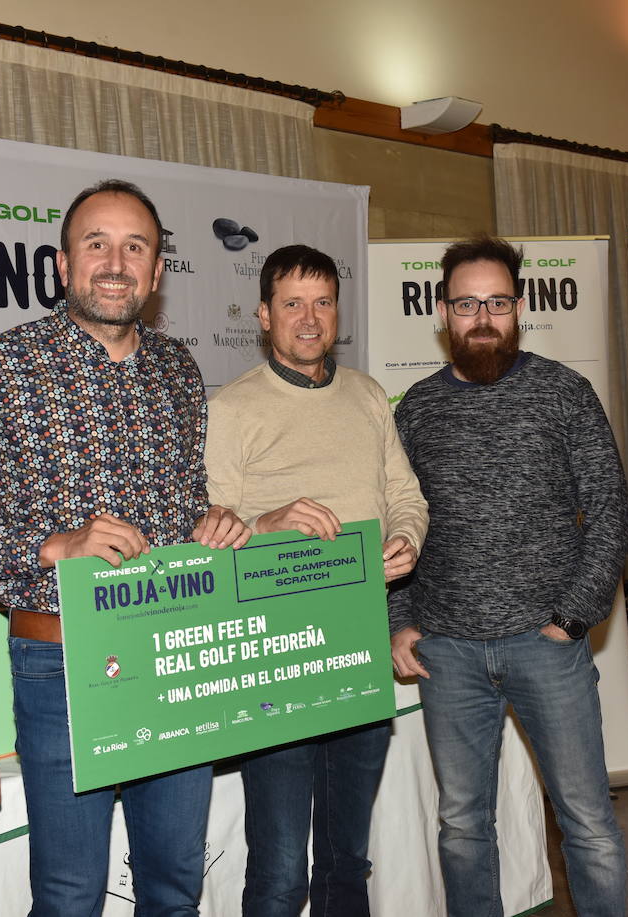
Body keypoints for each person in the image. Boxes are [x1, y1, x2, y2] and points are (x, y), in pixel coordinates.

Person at [0, 179, 249, 915]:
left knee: (175, 886)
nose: (116, 261)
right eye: (96, 244)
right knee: (72, 894)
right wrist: (50, 546)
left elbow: (181, 501)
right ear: (61, 264)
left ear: (158, 269)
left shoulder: (180, 370)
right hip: (60, 664)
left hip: (177, 648)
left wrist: (216, 523)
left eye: (135, 246)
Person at [388, 235, 628, 917]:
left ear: (519, 306)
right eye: (467, 303)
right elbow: (398, 523)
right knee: (463, 827)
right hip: (448, 654)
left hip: (544, 644)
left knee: (586, 821)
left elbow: (611, 509)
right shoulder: (417, 409)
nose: (483, 317)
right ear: (443, 312)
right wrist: (399, 619)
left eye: (497, 301)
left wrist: (572, 616)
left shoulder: (563, 392)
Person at [205, 244, 428, 916]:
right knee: (278, 872)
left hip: (358, 646)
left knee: (345, 863)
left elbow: (406, 494)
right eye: (293, 303)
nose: (309, 317)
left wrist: (406, 538)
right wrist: (267, 522)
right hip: (277, 660)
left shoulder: (365, 395)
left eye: (323, 302)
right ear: (264, 315)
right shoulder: (232, 408)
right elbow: (211, 532)